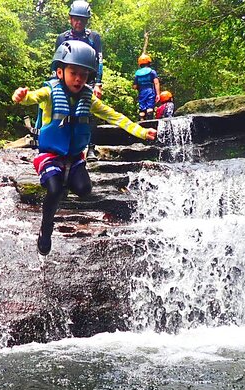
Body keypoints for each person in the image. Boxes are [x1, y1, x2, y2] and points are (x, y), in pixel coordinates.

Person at [12, 40, 157, 256]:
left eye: (84, 74)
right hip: (50, 155)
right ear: (60, 72)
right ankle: (45, 230)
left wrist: (142, 132)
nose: (79, 78)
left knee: (84, 190)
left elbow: (115, 117)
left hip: (75, 157)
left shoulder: (89, 100)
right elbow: (31, 97)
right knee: (54, 189)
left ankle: (67, 178)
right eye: (73, 72)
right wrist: (21, 96)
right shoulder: (49, 92)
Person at [54, 0, 104, 161]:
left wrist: (98, 83)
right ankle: (61, 145)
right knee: (62, 110)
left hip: (87, 79)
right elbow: (57, 61)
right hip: (66, 80)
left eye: (82, 19)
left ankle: (90, 147)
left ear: (86, 20)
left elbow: (99, 61)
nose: (78, 22)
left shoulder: (93, 37)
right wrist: (56, 80)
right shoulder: (62, 37)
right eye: (76, 18)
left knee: (89, 112)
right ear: (70, 18)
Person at [133, 54, 160, 120]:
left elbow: (134, 86)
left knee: (142, 109)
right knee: (150, 107)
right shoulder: (152, 72)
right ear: (149, 62)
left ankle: (142, 121)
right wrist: (158, 94)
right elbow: (156, 83)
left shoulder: (137, 74)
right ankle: (150, 121)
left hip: (141, 92)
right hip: (150, 91)